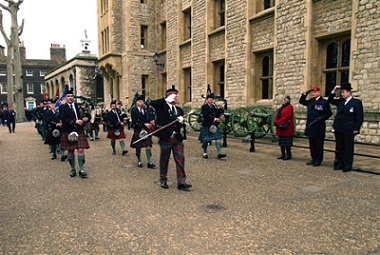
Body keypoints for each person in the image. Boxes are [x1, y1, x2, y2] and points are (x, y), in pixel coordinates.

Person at [149, 86, 192, 190]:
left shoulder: (179, 110)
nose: (178, 98)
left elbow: (180, 125)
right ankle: (163, 180)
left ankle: (181, 182)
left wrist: (183, 123)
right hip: (165, 138)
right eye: (176, 97)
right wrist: (165, 100)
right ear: (171, 98)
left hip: (177, 139)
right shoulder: (161, 107)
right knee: (164, 159)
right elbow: (152, 103)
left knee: (180, 159)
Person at [328, 83, 364, 172]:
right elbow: (330, 100)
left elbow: (359, 116)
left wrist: (356, 128)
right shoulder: (340, 101)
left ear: (349, 92)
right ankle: (339, 164)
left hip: (349, 128)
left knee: (348, 147)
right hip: (339, 127)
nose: (342, 94)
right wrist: (334, 90)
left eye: (343, 92)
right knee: (339, 147)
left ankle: (347, 165)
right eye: (341, 92)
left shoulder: (356, 102)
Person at [59, 90, 91, 178]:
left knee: (81, 149)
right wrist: (74, 121)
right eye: (68, 96)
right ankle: (72, 169)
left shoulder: (78, 106)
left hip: (79, 130)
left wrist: (86, 119)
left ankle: (81, 169)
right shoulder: (62, 107)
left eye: (72, 96)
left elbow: (88, 115)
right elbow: (62, 118)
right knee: (70, 151)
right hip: (68, 131)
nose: (70, 97)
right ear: (66, 98)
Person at [299, 86, 332, 166]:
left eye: (314, 92)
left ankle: (319, 159)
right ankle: (313, 158)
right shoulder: (310, 101)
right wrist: (305, 94)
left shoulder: (324, 102)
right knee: (312, 144)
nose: (313, 93)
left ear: (319, 92)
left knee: (319, 144)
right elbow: (302, 101)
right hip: (311, 125)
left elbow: (329, 113)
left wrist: (322, 118)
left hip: (319, 126)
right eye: (312, 92)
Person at [129, 94, 156, 169]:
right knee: (138, 146)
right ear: (137, 102)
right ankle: (139, 160)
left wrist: (151, 121)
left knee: (148, 146)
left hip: (146, 130)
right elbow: (134, 121)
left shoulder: (146, 109)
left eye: (143, 101)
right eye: (140, 101)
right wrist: (144, 124)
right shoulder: (133, 110)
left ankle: (149, 162)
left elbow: (150, 116)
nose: (142, 103)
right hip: (138, 129)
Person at [198, 93, 227, 159]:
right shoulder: (204, 107)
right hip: (206, 125)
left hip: (214, 125)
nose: (211, 100)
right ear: (207, 100)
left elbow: (218, 111)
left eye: (212, 99)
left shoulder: (214, 107)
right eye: (210, 99)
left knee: (218, 138)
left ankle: (219, 153)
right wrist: (214, 119)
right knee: (205, 140)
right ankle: (205, 153)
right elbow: (205, 115)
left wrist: (221, 114)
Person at [274, 95, 295, 160]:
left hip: (286, 127)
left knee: (287, 143)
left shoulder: (290, 107)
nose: (283, 101)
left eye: (284, 100)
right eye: (283, 100)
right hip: (280, 127)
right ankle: (283, 154)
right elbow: (277, 115)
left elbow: (287, 116)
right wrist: (275, 120)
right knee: (282, 142)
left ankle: (288, 155)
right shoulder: (281, 108)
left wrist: (279, 121)